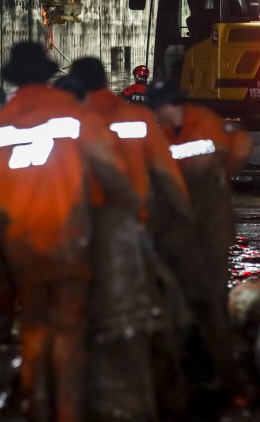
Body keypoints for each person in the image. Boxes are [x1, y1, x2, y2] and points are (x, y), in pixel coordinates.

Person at [0, 42, 137, 422]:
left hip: (22, 240)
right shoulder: (72, 113)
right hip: (68, 236)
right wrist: (126, 207)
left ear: (14, 78)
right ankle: (66, 410)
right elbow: (110, 169)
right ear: (48, 73)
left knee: (34, 321)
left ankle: (37, 402)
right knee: (68, 325)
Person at [70, 58, 194, 421]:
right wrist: (185, 218)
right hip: (127, 226)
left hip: (76, 229)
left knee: (80, 316)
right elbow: (167, 176)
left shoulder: (71, 121)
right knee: (142, 314)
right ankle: (156, 396)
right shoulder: (137, 118)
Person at [147, 77, 252, 397]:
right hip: (181, 226)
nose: (157, 115)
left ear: (168, 105)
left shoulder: (205, 122)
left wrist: (223, 175)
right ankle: (196, 369)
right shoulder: (163, 133)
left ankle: (223, 373)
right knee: (183, 297)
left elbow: (242, 146)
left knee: (210, 297)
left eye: (158, 109)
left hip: (210, 226)